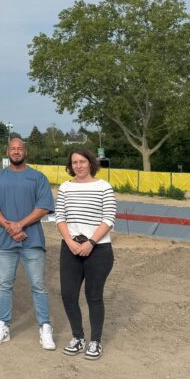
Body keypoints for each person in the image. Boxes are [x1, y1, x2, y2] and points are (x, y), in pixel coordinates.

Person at [0, 137, 57, 350]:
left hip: (32, 241)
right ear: (7, 151)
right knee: (4, 285)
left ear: (26, 151)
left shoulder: (37, 178)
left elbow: (43, 207)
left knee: (39, 285)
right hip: (4, 242)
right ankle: (2, 326)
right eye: (13, 149)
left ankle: (45, 328)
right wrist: (10, 227)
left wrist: (20, 225)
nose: (16, 152)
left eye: (20, 149)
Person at [55, 148, 117, 360]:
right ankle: (78, 336)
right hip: (71, 247)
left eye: (82, 161)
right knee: (68, 295)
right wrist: (70, 242)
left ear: (90, 163)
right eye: (74, 162)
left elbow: (108, 218)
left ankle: (95, 341)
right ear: (70, 165)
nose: (78, 166)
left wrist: (91, 242)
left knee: (94, 296)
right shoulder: (65, 188)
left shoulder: (104, 187)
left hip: (98, 250)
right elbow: (60, 217)